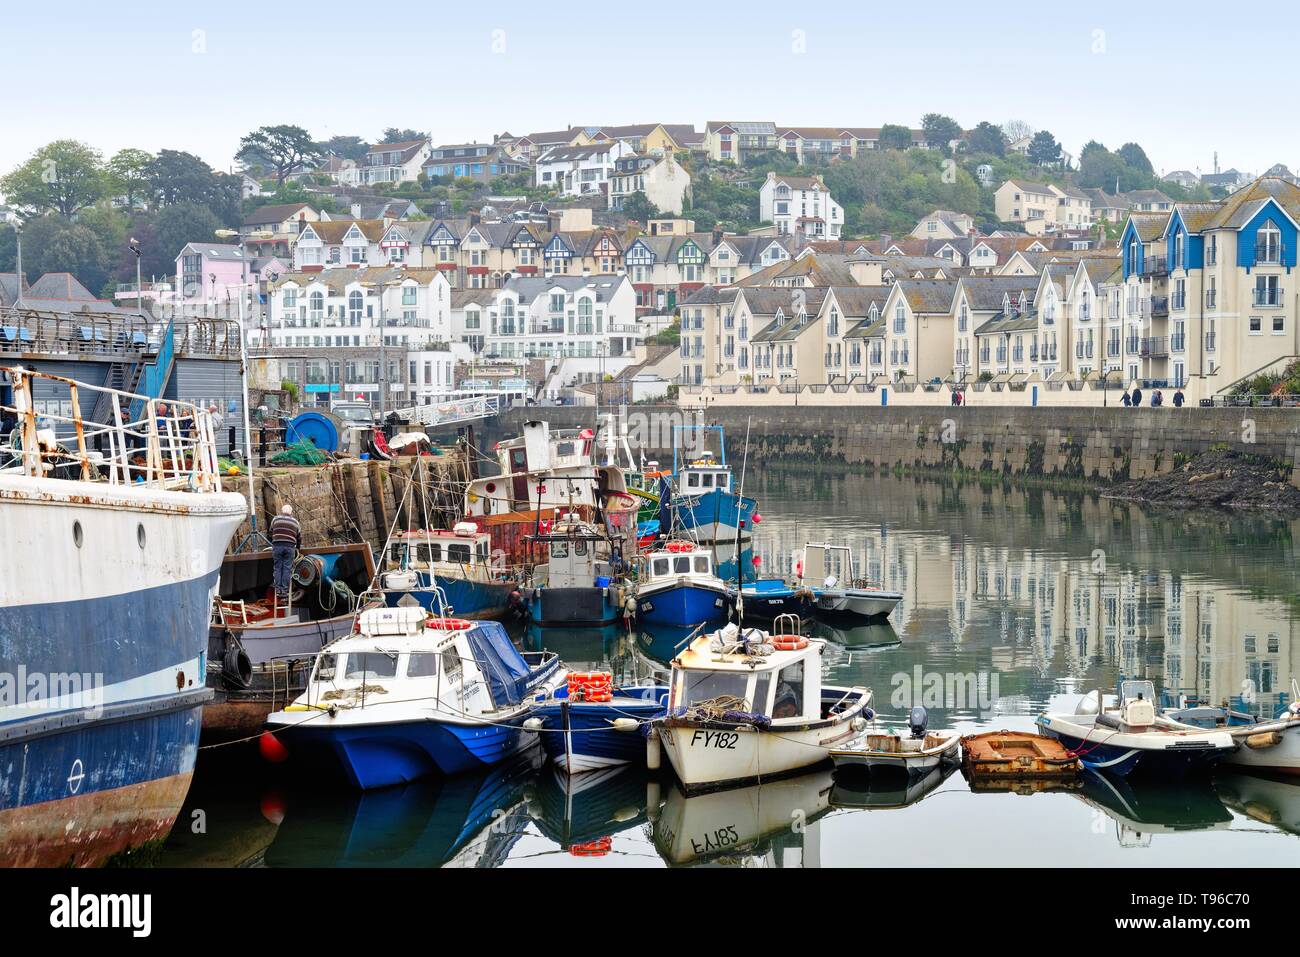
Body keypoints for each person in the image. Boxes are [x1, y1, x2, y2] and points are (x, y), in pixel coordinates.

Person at [270, 504, 302, 602]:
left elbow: (271, 531)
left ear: (282, 511)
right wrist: (298, 548)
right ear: (291, 512)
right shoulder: (295, 522)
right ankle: (284, 591)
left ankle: (278, 590)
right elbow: (299, 537)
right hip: (289, 547)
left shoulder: (275, 519)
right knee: (287, 568)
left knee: (278, 567)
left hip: (277, 546)